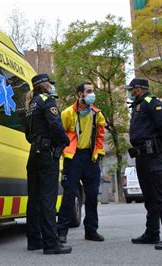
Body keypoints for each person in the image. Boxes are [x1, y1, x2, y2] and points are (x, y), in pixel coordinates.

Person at [126, 78, 162, 250]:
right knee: (149, 197)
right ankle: (152, 233)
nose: (130, 92)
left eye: (132, 89)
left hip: (153, 155)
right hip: (142, 156)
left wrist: (160, 149)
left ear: (140, 89)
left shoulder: (152, 103)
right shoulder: (137, 105)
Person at [24, 74, 71, 255]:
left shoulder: (30, 105)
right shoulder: (47, 101)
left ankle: (34, 241)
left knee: (34, 198)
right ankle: (51, 244)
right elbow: (56, 126)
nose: (52, 86)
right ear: (44, 85)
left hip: (33, 154)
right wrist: (65, 141)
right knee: (48, 199)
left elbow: (27, 134)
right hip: (46, 154)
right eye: (51, 84)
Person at [56, 82, 106, 243]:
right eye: (89, 91)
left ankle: (91, 231)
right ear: (80, 94)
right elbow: (60, 134)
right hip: (73, 158)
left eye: (92, 91)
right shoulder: (67, 113)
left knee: (91, 196)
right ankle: (61, 232)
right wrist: (64, 153)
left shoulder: (97, 114)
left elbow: (100, 136)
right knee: (69, 195)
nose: (92, 94)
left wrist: (97, 154)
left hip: (91, 159)